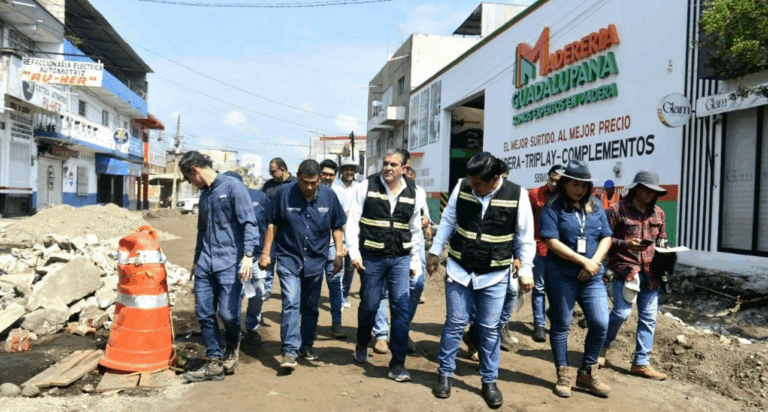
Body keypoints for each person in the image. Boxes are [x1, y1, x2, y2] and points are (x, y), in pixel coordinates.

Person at [427, 152, 535, 407]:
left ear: (495, 179)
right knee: (454, 324)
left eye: (478, 183)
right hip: (459, 269)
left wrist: (527, 269)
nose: (473, 186)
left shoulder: (517, 195)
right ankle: (445, 374)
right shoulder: (462, 187)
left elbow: (525, 236)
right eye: (471, 181)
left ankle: (489, 380)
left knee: (488, 329)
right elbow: (448, 220)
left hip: (495, 274)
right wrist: (434, 251)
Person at [258, 160, 346, 370]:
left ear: (319, 180)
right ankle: (289, 350)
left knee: (310, 306)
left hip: (316, 260)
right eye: (305, 182)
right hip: (289, 258)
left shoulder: (328, 196)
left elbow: (337, 226)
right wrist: (265, 253)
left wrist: (340, 254)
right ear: (298, 178)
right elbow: (273, 224)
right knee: (290, 302)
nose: (309, 187)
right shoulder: (284, 193)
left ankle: (306, 345)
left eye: (313, 183)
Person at [179, 152, 259, 383]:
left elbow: (249, 223)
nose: (189, 184)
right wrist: (196, 260)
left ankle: (232, 345)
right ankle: (215, 360)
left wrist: (248, 256)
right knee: (204, 312)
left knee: (227, 313)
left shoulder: (233, 187)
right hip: (205, 262)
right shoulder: (204, 196)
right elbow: (201, 231)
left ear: (195, 169)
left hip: (230, 263)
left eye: (187, 178)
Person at [346, 149, 422, 382]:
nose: (388, 168)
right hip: (372, 257)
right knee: (369, 305)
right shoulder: (365, 187)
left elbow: (415, 229)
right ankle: (362, 340)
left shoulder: (415, 192)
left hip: (400, 258)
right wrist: (354, 252)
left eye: (393, 165)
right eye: (385, 163)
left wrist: (415, 260)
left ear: (404, 169)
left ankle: (397, 364)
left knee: (400, 307)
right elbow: (352, 222)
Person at [540, 159, 613, 398]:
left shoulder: (595, 205)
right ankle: (563, 372)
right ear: (564, 184)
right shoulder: (552, 206)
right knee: (561, 323)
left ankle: (587, 373)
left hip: (592, 276)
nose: (579, 189)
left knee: (601, 322)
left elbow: (606, 237)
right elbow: (551, 241)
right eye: (574, 184)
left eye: (584, 185)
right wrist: (582, 261)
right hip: (562, 275)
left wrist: (594, 263)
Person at [599, 170, 669, 381]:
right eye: (645, 190)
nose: (648, 195)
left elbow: (662, 240)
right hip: (624, 269)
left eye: (652, 191)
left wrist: (667, 250)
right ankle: (601, 346)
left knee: (648, 318)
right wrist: (626, 244)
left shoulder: (659, 214)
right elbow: (604, 240)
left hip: (651, 272)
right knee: (621, 313)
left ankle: (640, 362)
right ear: (636, 188)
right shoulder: (616, 210)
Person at [219, 171, 271, 345]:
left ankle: (252, 325)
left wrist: (267, 252)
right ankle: (234, 329)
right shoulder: (222, 200)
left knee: (258, 292)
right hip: (232, 258)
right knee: (235, 294)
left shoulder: (260, 198)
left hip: (256, 257)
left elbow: (271, 225)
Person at [527, 164, 564, 343]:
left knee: (559, 288)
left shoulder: (567, 197)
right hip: (539, 247)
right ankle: (539, 325)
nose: (555, 184)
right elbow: (526, 222)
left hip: (561, 251)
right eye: (552, 180)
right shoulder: (535, 194)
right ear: (547, 178)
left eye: (559, 181)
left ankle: (551, 313)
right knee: (539, 288)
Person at [319, 159, 348, 339]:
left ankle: (336, 324)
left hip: (331, 248)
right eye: (325, 174)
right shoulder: (309, 190)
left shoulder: (339, 194)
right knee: (310, 288)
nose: (328, 177)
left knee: (335, 286)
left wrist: (341, 246)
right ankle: (304, 323)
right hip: (313, 250)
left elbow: (342, 222)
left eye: (331, 174)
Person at [332, 158, 361, 308]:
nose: (349, 172)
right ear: (341, 171)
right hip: (337, 230)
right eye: (346, 169)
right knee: (338, 262)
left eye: (352, 169)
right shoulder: (334, 187)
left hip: (354, 231)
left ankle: (344, 294)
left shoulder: (359, 187)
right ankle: (337, 297)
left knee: (351, 265)